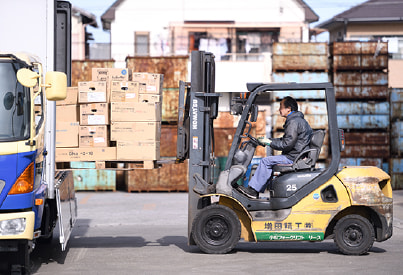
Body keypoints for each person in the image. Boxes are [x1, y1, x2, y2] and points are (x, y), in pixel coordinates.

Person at [238, 96, 313, 199]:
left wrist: (269, 143)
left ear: (288, 109)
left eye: (281, 107)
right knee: (268, 161)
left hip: (293, 157)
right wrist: (268, 140)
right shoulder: (297, 120)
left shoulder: (294, 122)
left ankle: (253, 191)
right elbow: (285, 140)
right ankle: (257, 189)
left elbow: (287, 144)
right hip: (296, 154)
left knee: (265, 161)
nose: (279, 109)